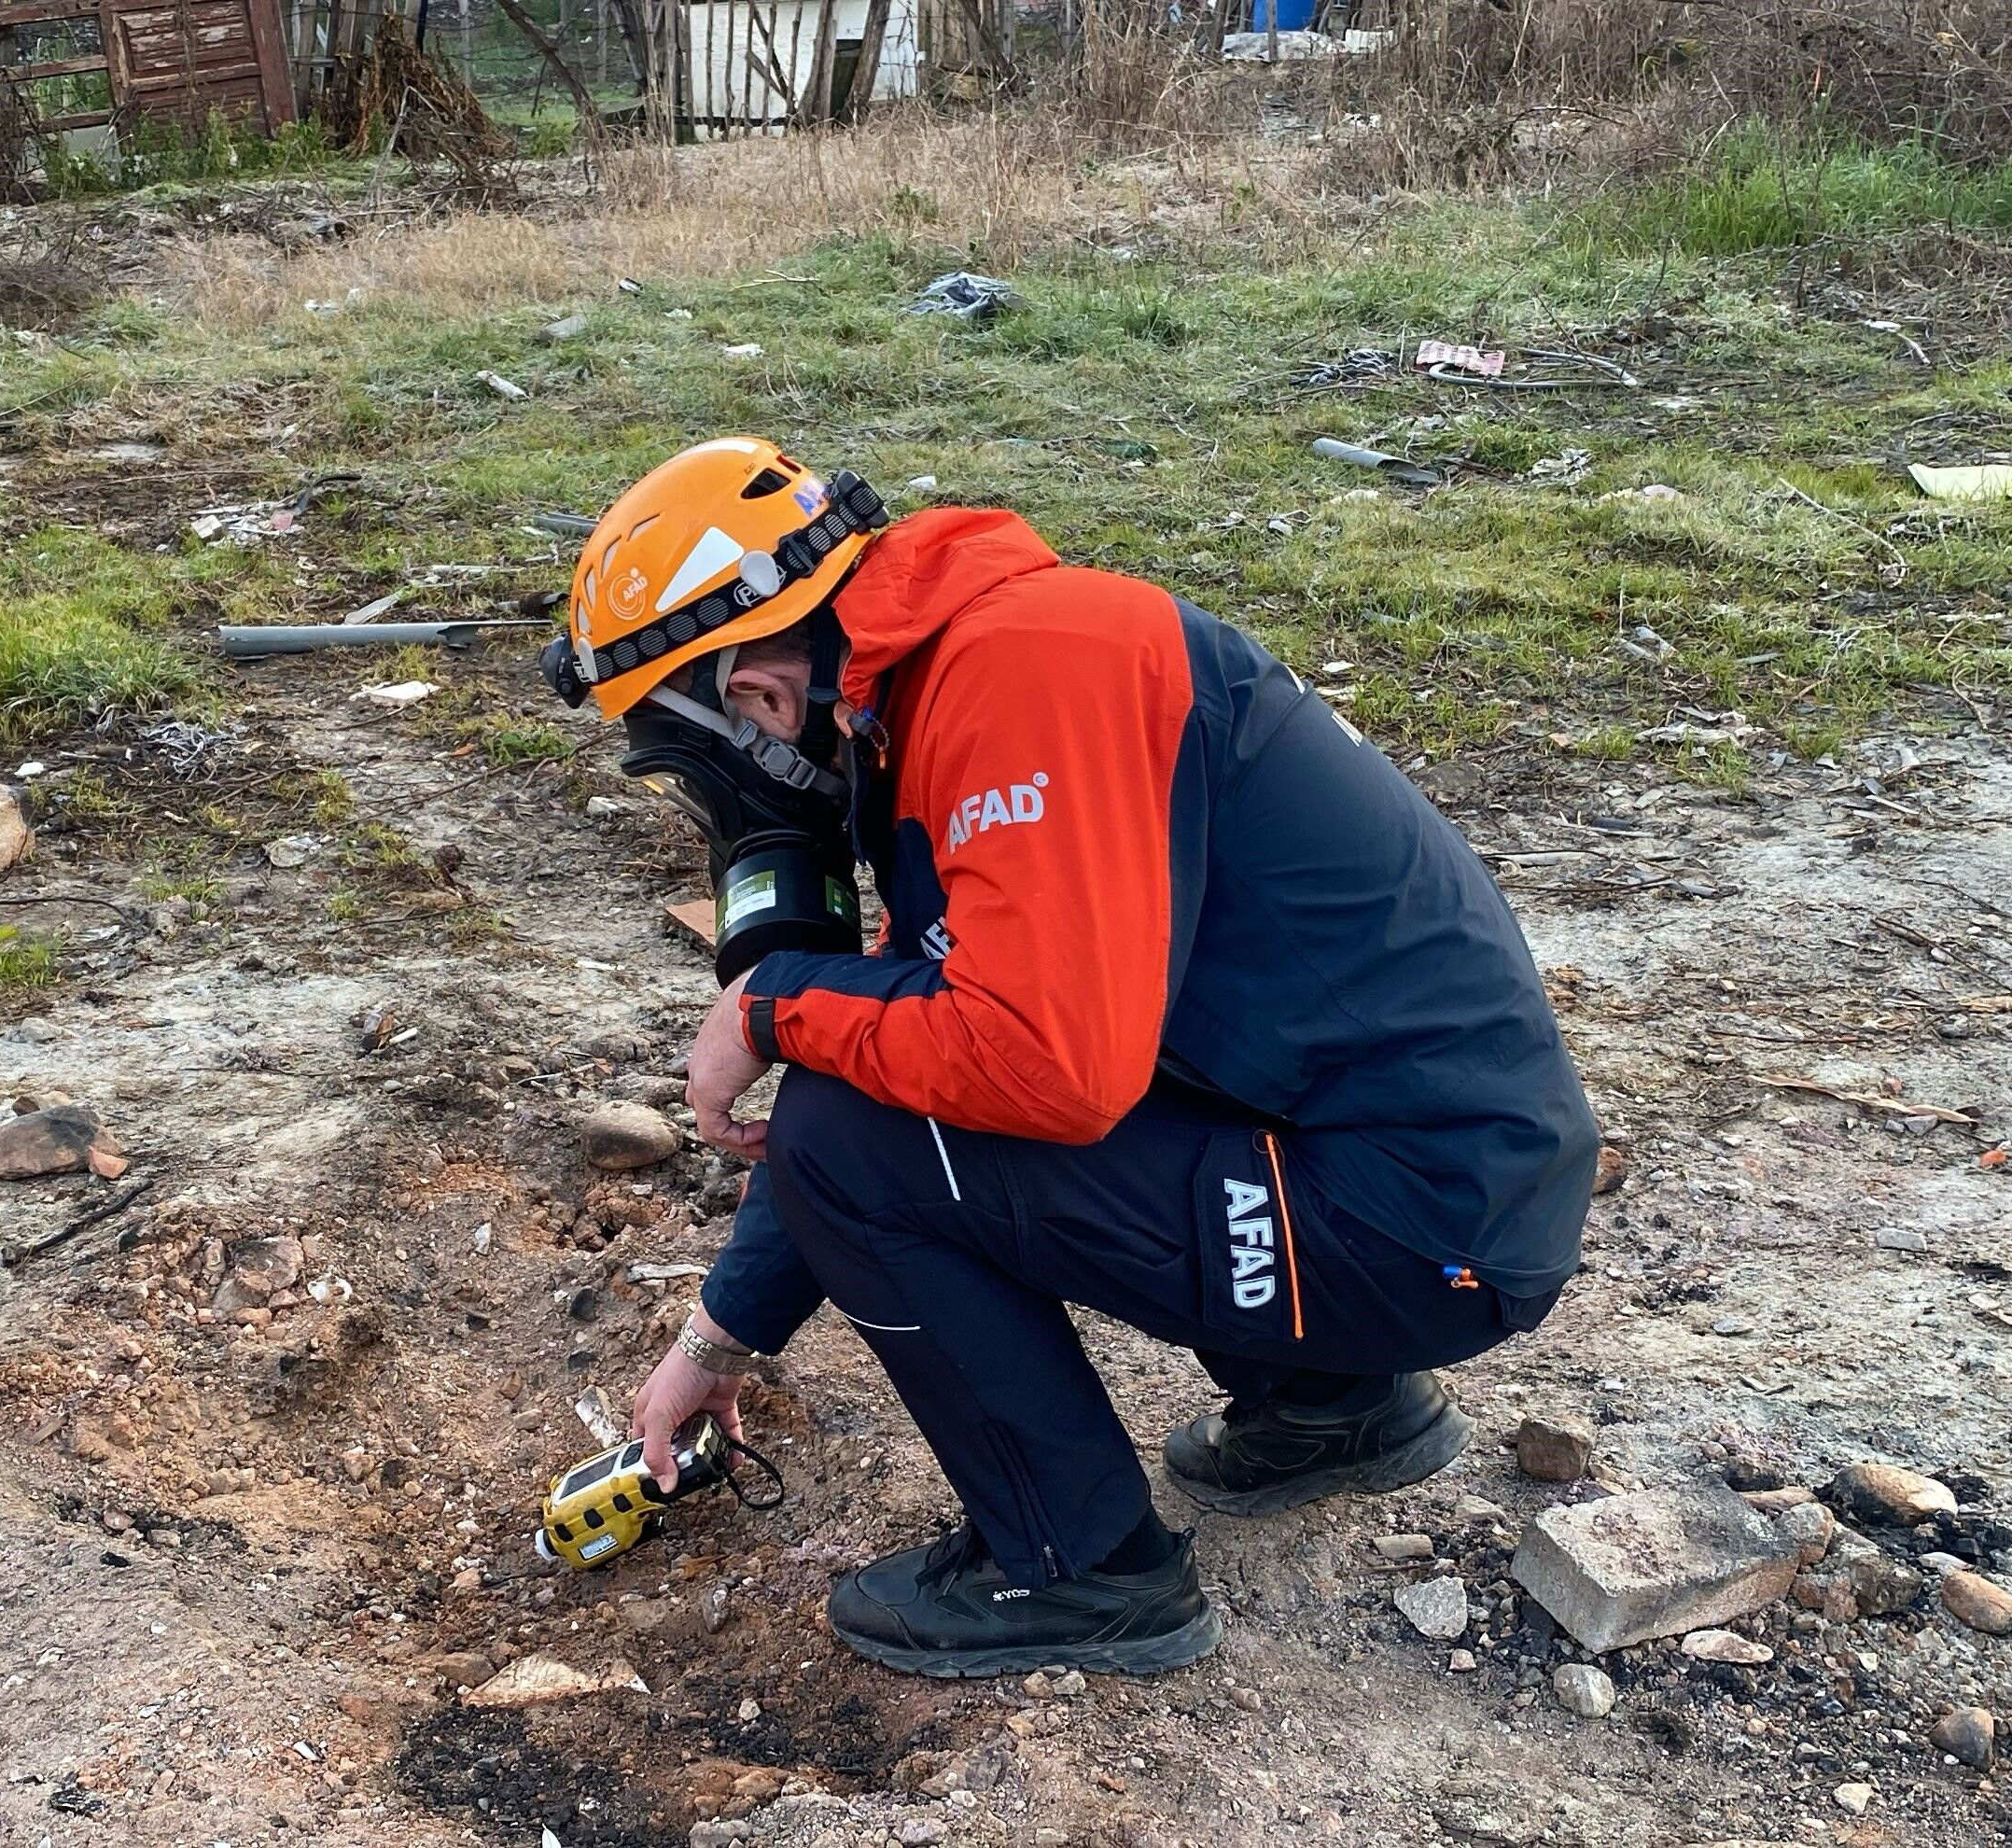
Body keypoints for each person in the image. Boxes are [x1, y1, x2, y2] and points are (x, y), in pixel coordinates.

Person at [539, 438, 1600, 1678]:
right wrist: (716, 1341)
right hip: (1424, 1185)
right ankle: (1333, 1402)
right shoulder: (960, 680)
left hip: (1424, 1227)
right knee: (876, 1070)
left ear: (752, 696)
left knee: (855, 1118)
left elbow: (1044, 1069)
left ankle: (1080, 1566)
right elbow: (912, 1055)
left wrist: (778, 1004)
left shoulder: (1021, 679)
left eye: (696, 760)